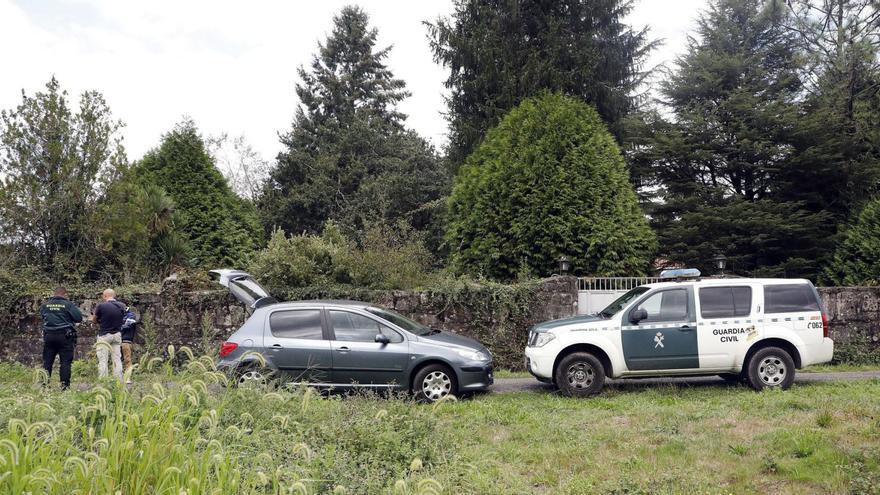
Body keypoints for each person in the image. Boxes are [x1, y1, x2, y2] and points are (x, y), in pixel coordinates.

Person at [38, 287, 83, 389]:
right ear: (65, 294)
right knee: (65, 362)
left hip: (49, 335)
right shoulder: (68, 305)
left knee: (47, 361)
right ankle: (64, 386)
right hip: (65, 336)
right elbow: (78, 318)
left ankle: (44, 385)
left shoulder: (45, 305)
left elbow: (43, 316)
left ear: (54, 294)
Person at [91, 288, 125, 381]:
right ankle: (119, 380)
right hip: (117, 335)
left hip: (104, 335)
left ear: (105, 296)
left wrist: (99, 321)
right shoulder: (122, 305)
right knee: (117, 359)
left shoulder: (101, 306)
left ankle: (103, 380)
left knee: (103, 360)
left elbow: (94, 320)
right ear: (114, 295)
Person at [120, 304, 138, 383]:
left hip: (126, 340)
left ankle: (128, 377)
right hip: (116, 340)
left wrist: (116, 327)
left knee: (127, 359)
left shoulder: (131, 315)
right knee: (116, 360)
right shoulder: (116, 315)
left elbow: (127, 325)